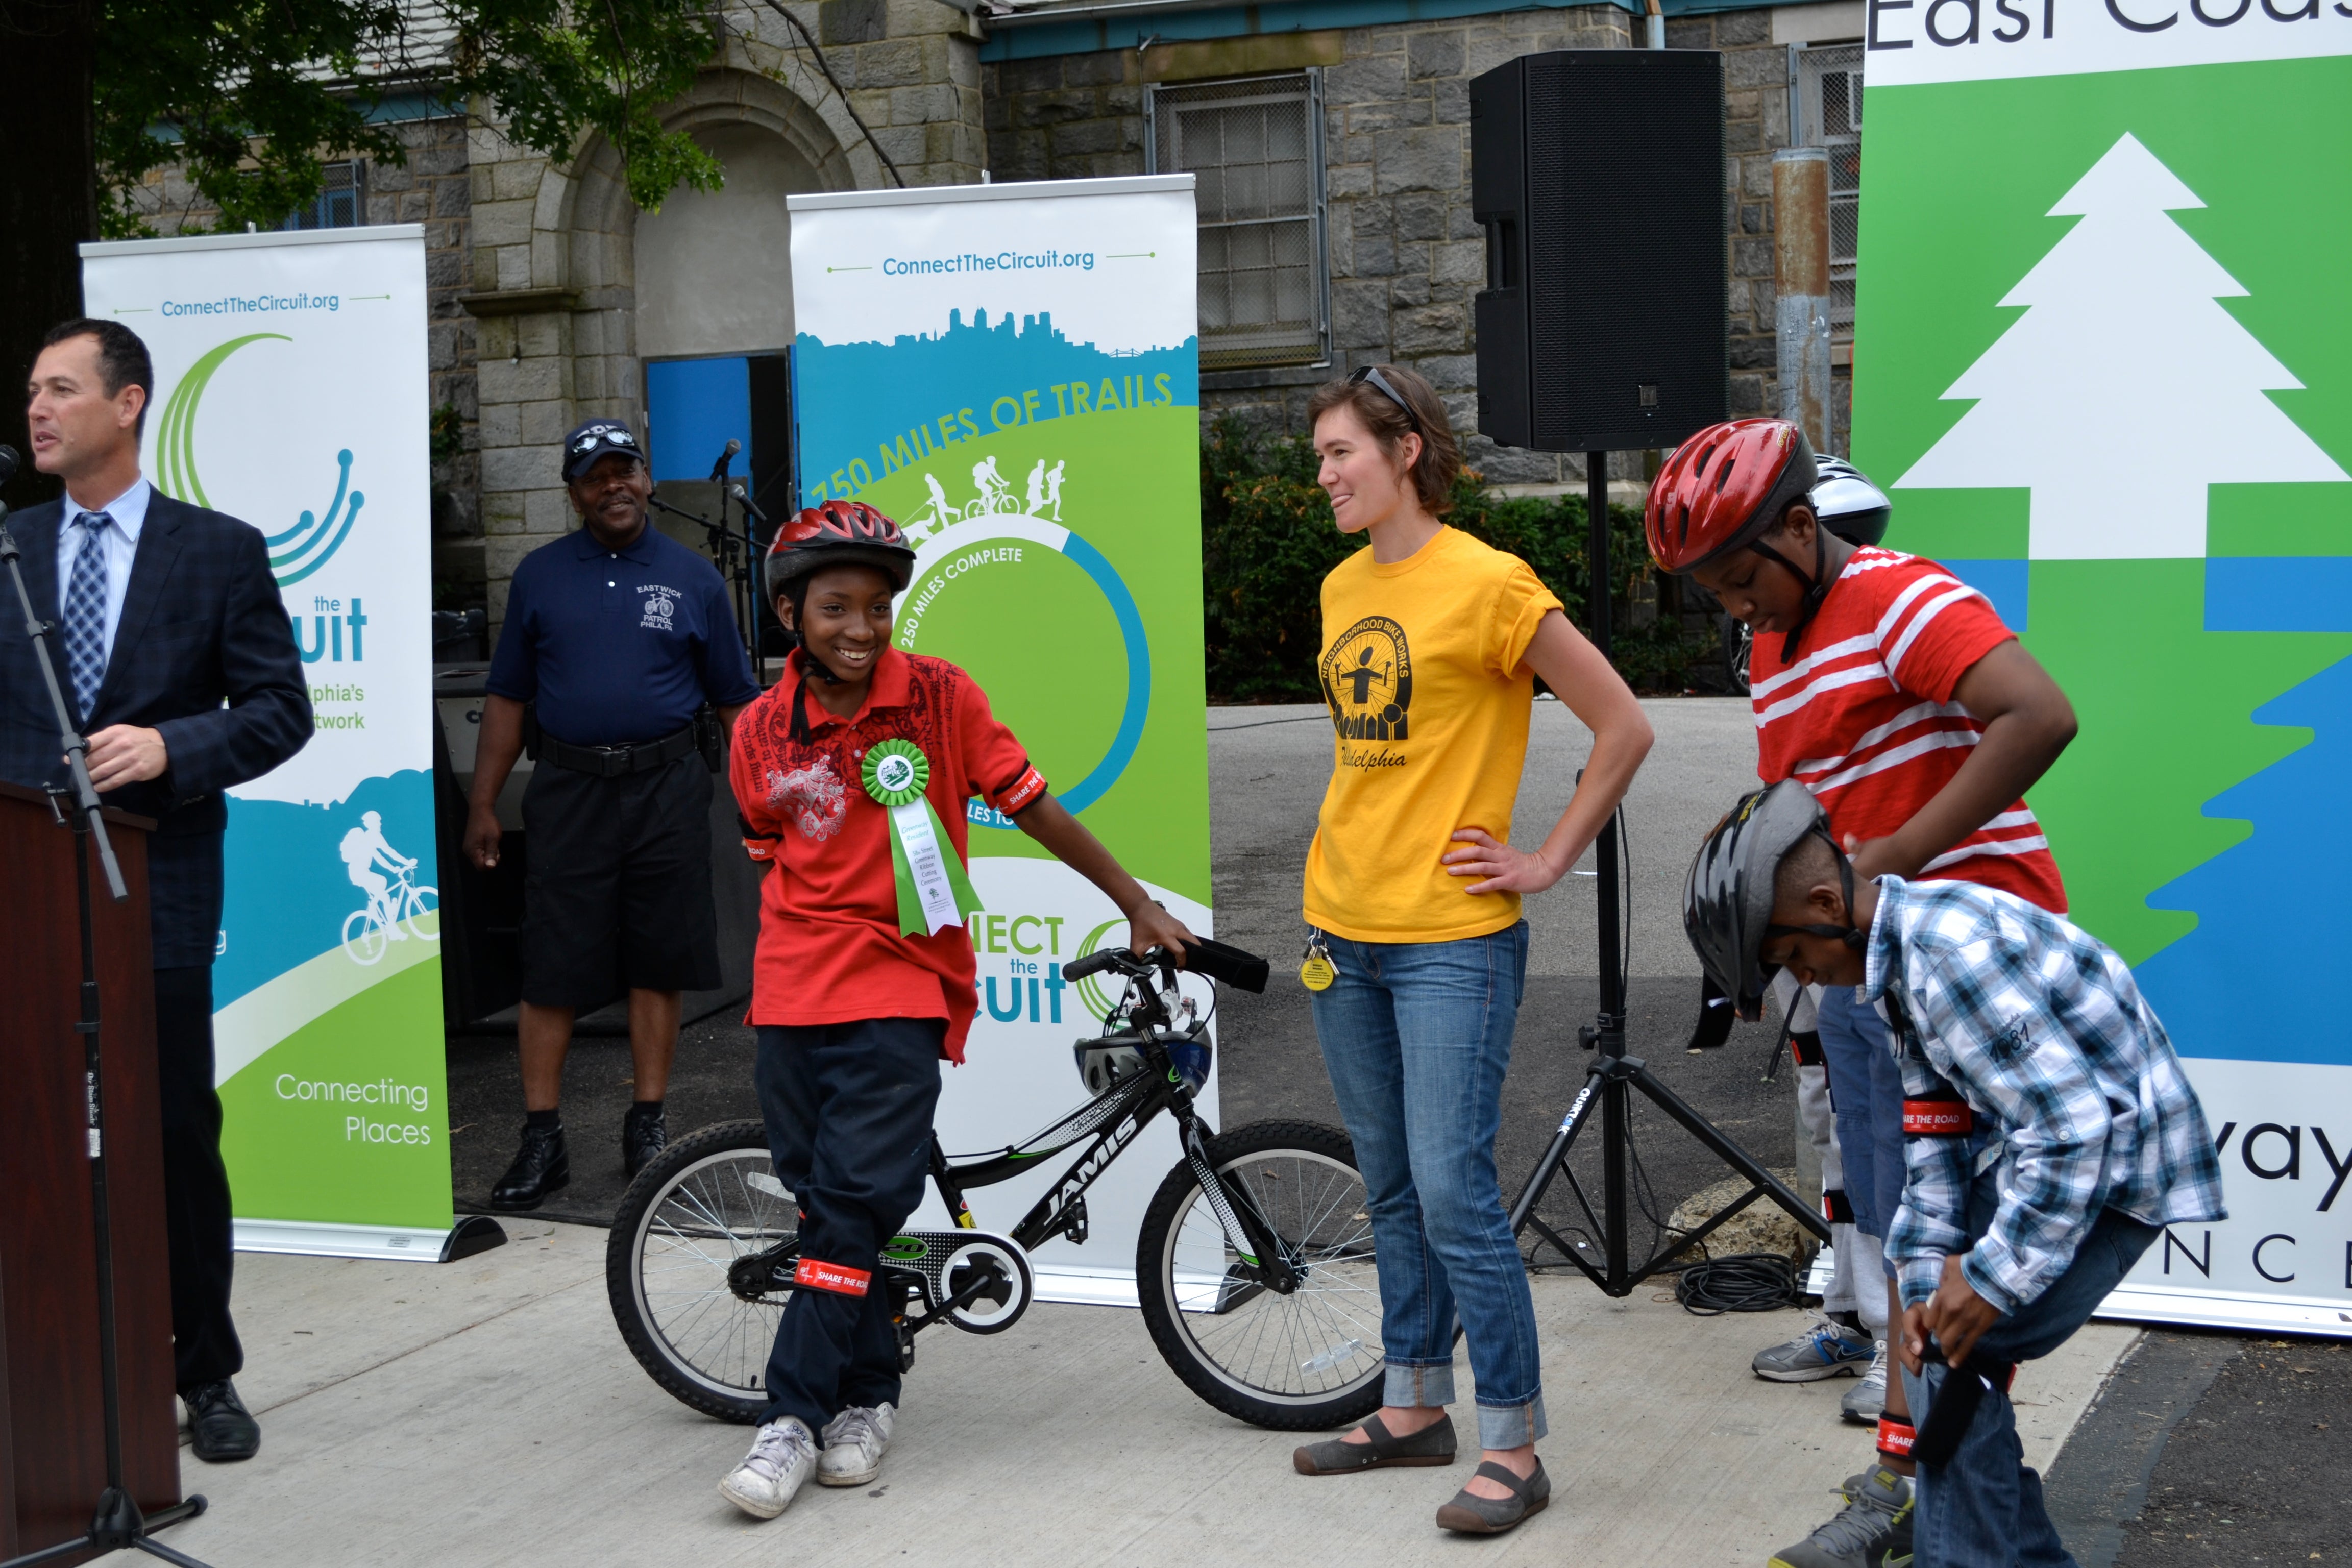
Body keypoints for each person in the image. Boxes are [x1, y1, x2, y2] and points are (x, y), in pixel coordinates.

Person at [1645, 421, 2080, 1568]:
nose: (1736, 608)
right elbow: (1802, 819)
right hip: (1863, 970)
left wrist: (1887, 859)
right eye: (1714, 594)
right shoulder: (1778, 645)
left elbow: (2041, 715)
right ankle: (1920, 1478)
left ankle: (1911, 1481)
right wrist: (1759, 943)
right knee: (1904, 1239)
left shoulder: (1899, 595)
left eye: (1741, 578)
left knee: (1961, 1271)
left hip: (1973, 962)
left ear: (1801, 527)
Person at [715, 499, 1195, 1520]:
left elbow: (1034, 804)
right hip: (793, 989)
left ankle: (790, 1416)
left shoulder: (939, 699)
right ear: (792, 613)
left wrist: (1137, 901)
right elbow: (771, 853)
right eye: (837, 607)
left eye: (879, 607)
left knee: (845, 1206)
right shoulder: (758, 731)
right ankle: (870, 1393)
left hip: (901, 981)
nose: (861, 627)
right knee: (835, 1210)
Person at [1282, 364, 1653, 1536]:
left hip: (1454, 938)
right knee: (1390, 1181)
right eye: (1321, 456)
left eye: (1341, 451)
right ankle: (1410, 1403)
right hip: (1344, 924)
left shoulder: (1491, 581)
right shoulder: (1343, 586)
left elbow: (1623, 722)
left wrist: (1544, 858)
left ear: (1404, 450)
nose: (1326, 474)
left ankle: (1516, 1436)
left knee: (1453, 1187)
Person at [1686, 781, 2225, 1568]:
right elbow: (1932, 1134)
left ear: (1827, 903)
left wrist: (1991, 1278)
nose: (1803, 979)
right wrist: (1921, 1278)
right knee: (1940, 1349)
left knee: (1956, 1354)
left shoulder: (1948, 961)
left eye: (1794, 957)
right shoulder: (1895, 960)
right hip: (2041, 1156)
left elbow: (2073, 1132)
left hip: (2118, 1176)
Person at [2, 319, 313, 1461]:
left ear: (128, 404)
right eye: (32, 391)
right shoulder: (9, 545)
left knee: (173, 1127)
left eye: (61, 389)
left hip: (158, 883)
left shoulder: (217, 550)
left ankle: (204, 1372)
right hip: (23, 889)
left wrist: (173, 747)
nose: (37, 409)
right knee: (33, 1126)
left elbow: (282, 711)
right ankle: (49, 1361)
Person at [464, 420, 762, 1208]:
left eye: (624, 470)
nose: (613, 485)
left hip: (667, 789)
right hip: (568, 792)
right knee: (553, 966)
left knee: (658, 962)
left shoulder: (695, 578)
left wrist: (767, 800)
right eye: (595, 476)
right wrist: (483, 804)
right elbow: (506, 701)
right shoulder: (539, 577)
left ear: (648, 479)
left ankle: (648, 1124)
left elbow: (737, 704)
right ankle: (541, 1139)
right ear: (574, 493)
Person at [341, 808, 415, 940]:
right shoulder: (368, 838)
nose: (380, 824)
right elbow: (384, 855)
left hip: (363, 872)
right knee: (385, 897)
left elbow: (385, 854)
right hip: (358, 872)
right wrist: (402, 864)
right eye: (378, 822)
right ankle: (393, 930)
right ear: (371, 823)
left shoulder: (373, 837)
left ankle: (375, 908)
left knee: (382, 882)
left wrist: (399, 866)